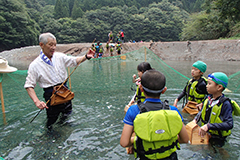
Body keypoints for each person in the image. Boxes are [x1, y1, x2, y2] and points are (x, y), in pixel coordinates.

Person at [24, 32, 94, 130]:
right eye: (50, 45)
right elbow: (29, 85)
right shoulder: (35, 65)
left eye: (55, 45)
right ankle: (48, 136)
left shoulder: (59, 56)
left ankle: (65, 129)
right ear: (41, 45)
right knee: (52, 120)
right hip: (51, 94)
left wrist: (86, 57)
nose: (53, 48)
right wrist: (37, 101)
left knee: (68, 114)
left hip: (65, 91)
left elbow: (74, 61)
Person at [120, 70, 189, 159]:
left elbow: (124, 143)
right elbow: (185, 139)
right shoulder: (173, 110)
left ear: (141, 88)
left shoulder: (133, 110)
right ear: (164, 90)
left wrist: (139, 140)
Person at [194, 72, 233, 147]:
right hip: (206, 134)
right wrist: (195, 120)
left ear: (219, 87)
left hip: (218, 138)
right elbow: (201, 112)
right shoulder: (208, 99)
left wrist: (209, 126)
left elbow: (229, 124)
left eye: (209, 84)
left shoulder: (225, 104)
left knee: (218, 151)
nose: (206, 86)